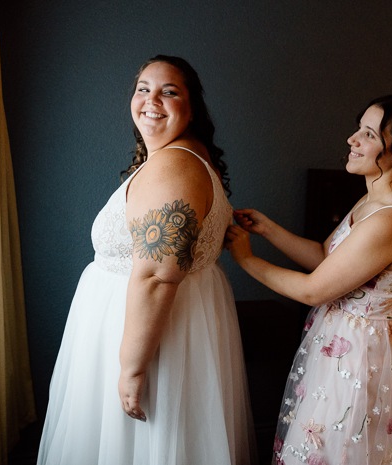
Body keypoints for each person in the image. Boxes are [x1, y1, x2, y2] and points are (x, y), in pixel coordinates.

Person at [37, 55, 256, 465]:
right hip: (169, 325)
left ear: (191, 110)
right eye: (143, 88)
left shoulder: (174, 166)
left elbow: (156, 277)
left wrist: (132, 368)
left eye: (169, 92)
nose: (151, 100)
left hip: (147, 335)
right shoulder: (188, 156)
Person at [225, 95, 392, 465]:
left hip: (357, 359)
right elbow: (328, 258)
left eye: (368, 135)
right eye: (358, 129)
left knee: (336, 450)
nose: (351, 140)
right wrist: (269, 230)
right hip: (342, 345)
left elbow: (313, 290)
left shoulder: (390, 219)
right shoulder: (375, 197)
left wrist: (245, 259)